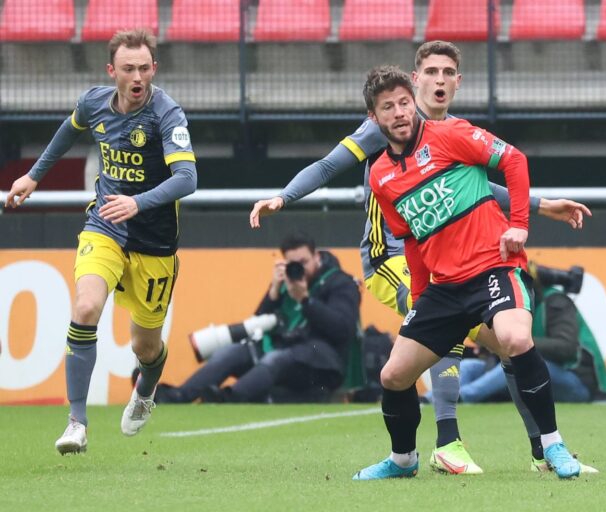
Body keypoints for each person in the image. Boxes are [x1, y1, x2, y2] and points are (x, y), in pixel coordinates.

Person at [249, 41, 592, 475]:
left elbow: (479, 184)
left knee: (510, 344)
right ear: (415, 80)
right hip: (391, 260)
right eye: (431, 72)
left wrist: (537, 208)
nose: (439, 81)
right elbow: (329, 168)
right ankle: (443, 442)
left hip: (469, 265)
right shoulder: (380, 139)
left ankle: (544, 451)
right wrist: (284, 197)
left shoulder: (448, 133)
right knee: (423, 348)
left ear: (456, 83)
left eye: (447, 72)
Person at [354, 65, 582, 480]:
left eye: (404, 103)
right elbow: (410, 240)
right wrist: (419, 294)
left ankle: (552, 446)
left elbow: (513, 159)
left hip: (494, 268)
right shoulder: (381, 175)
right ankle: (403, 460)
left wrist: (519, 225)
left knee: (515, 339)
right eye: (388, 107)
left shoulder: (450, 134)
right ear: (374, 117)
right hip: (444, 288)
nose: (400, 112)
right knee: (394, 374)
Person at [4, 29, 198, 454]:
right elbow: (68, 130)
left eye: (144, 68)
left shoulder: (167, 114)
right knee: (86, 307)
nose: (137, 77)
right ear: (112, 71)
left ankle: (146, 387)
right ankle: (77, 422)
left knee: (145, 345)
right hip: (105, 226)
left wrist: (138, 203)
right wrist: (34, 175)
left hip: (155, 243)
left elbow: (188, 179)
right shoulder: (94, 102)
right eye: (128, 69)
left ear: (154, 69)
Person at [155, 232, 361, 403]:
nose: (299, 269)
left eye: (304, 262)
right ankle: (179, 395)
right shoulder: (286, 282)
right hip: (283, 348)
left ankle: (228, 397)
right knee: (232, 352)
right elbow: (258, 322)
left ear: (317, 256)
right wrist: (273, 292)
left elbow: (342, 329)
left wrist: (306, 301)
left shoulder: (340, 283)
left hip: (320, 361)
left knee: (276, 358)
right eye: (292, 264)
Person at [434, 263, 606, 405]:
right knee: (469, 366)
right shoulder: (508, 307)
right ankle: (433, 398)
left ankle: (462, 397)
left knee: (522, 366)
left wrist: (518, 342)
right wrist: (491, 348)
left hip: (575, 382)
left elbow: (566, 348)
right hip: (533, 377)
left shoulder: (556, 303)